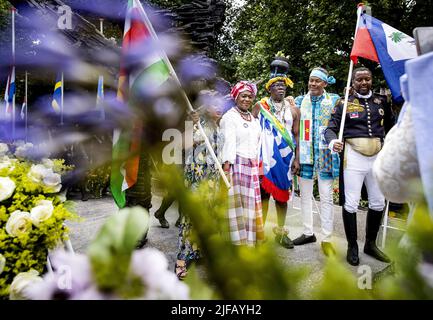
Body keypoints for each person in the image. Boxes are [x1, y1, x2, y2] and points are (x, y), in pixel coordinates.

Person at [325, 67, 394, 266]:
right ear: (353, 82)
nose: (363, 83)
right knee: (351, 203)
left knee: (378, 202)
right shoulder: (344, 103)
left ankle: (370, 244)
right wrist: (332, 142)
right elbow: (331, 128)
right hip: (353, 157)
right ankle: (352, 245)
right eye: (359, 80)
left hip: (377, 159)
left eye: (367, 79)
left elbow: (391, 127)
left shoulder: (382, 101)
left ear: (371, 80)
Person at [252, 56, 300, 249]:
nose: (281, 88)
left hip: (286, 159)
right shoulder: (260, 106)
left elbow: (297, 137)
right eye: (276, 85)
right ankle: (259, 232)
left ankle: (280, 233)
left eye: (283, 85)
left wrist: (297, 159)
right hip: (265, 158)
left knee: (282, 198)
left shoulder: (294, 110)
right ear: (269, 88)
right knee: (263, 196)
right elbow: (250, 129)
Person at [293, 67, 340, 256]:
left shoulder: (335, 100)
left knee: (326, 197)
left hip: (325, 155)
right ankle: (308, 232)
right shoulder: (298, 101)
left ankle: (327, 238)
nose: (313, 84)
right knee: (304, 195)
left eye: (317, 81)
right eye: (311, 80)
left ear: (325, 83)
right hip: (305, 155)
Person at [175, 101, 224, 279]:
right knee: (190, 219)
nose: (218, 108)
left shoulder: (221, 126)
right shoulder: (197, 124)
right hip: (195, 180)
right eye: (214, 104)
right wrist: (192, 124)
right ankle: (181, 260)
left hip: (213, 181)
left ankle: (200, 253)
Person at [221, 81, 264, 246]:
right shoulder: (229, 117)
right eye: (243, 96)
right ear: (235, 97)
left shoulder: (253, 118)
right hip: (236, 166)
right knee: (237, 208)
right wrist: (227, 168)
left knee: (249, 208)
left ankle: (249, 242)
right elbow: (228, 144)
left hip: (251, 166)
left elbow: (256, 144)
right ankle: (237, 244)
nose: (246, 99)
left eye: (250, 96)